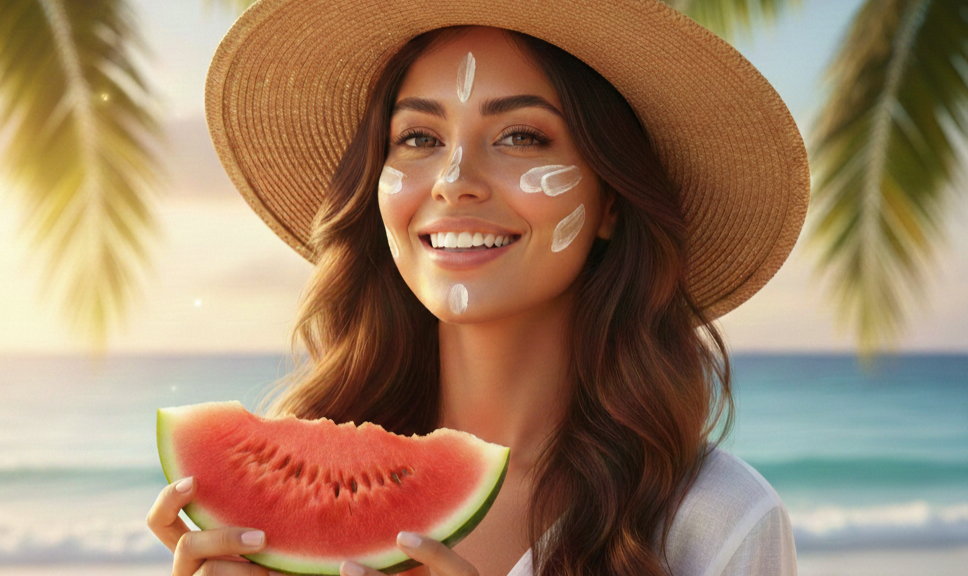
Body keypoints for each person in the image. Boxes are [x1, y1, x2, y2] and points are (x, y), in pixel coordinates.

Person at [148, 1, 809, 575]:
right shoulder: (288, 517)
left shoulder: (719, 523)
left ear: (610, 200)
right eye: (418, 138)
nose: (454, 179)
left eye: (521, 136)